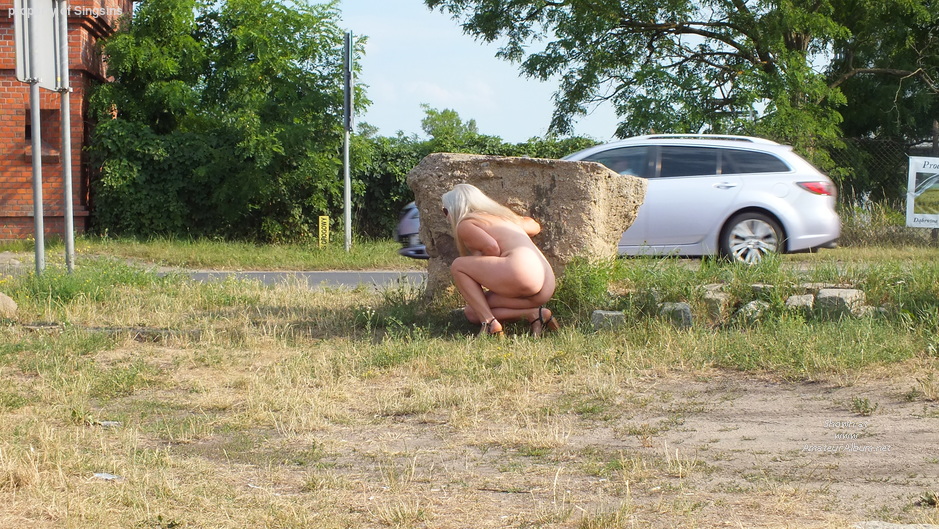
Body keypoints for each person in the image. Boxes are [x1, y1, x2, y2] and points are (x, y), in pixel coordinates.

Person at [441, 183, 560, 337]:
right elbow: (534, 227)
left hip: (521, 274)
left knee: (458, 266)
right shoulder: (503, 218)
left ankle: (489, 323)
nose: (446, 216)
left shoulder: (465, 224)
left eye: (445, 211)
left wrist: (480, 270)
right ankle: (536, 315)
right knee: (472, 312)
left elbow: (491, 248)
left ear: (455, 208)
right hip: (546, 283)